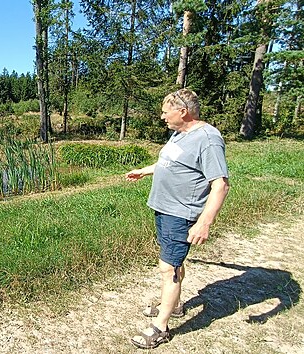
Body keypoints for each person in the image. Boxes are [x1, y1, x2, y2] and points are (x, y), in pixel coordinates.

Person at [125, 88, 230, 349]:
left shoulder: (208, 139)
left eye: (165, 111)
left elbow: (221, 185)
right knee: (173, 261)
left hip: (182, 214)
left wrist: (204, 222)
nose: (162, 117)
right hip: (164, 209)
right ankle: (175, 305)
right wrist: (145, 171)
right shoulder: (179, 133)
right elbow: (172, 163)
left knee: (168, 268)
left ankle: (160, 328)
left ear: (182, 112)